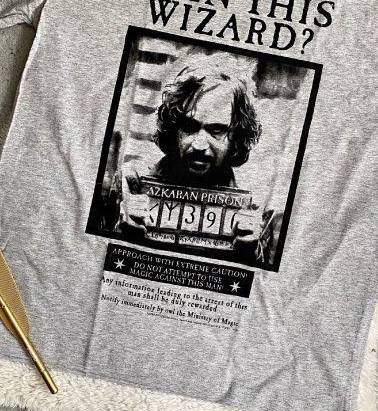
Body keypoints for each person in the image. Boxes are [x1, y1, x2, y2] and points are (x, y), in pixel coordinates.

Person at [107, 58, 280, 266]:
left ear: (237, 137)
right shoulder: (130, 185)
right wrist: (119, 235)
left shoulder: (258, 206)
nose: (199, 145)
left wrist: (250, 255)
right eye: (189, 127)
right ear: (173, 129)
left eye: (216, 130)